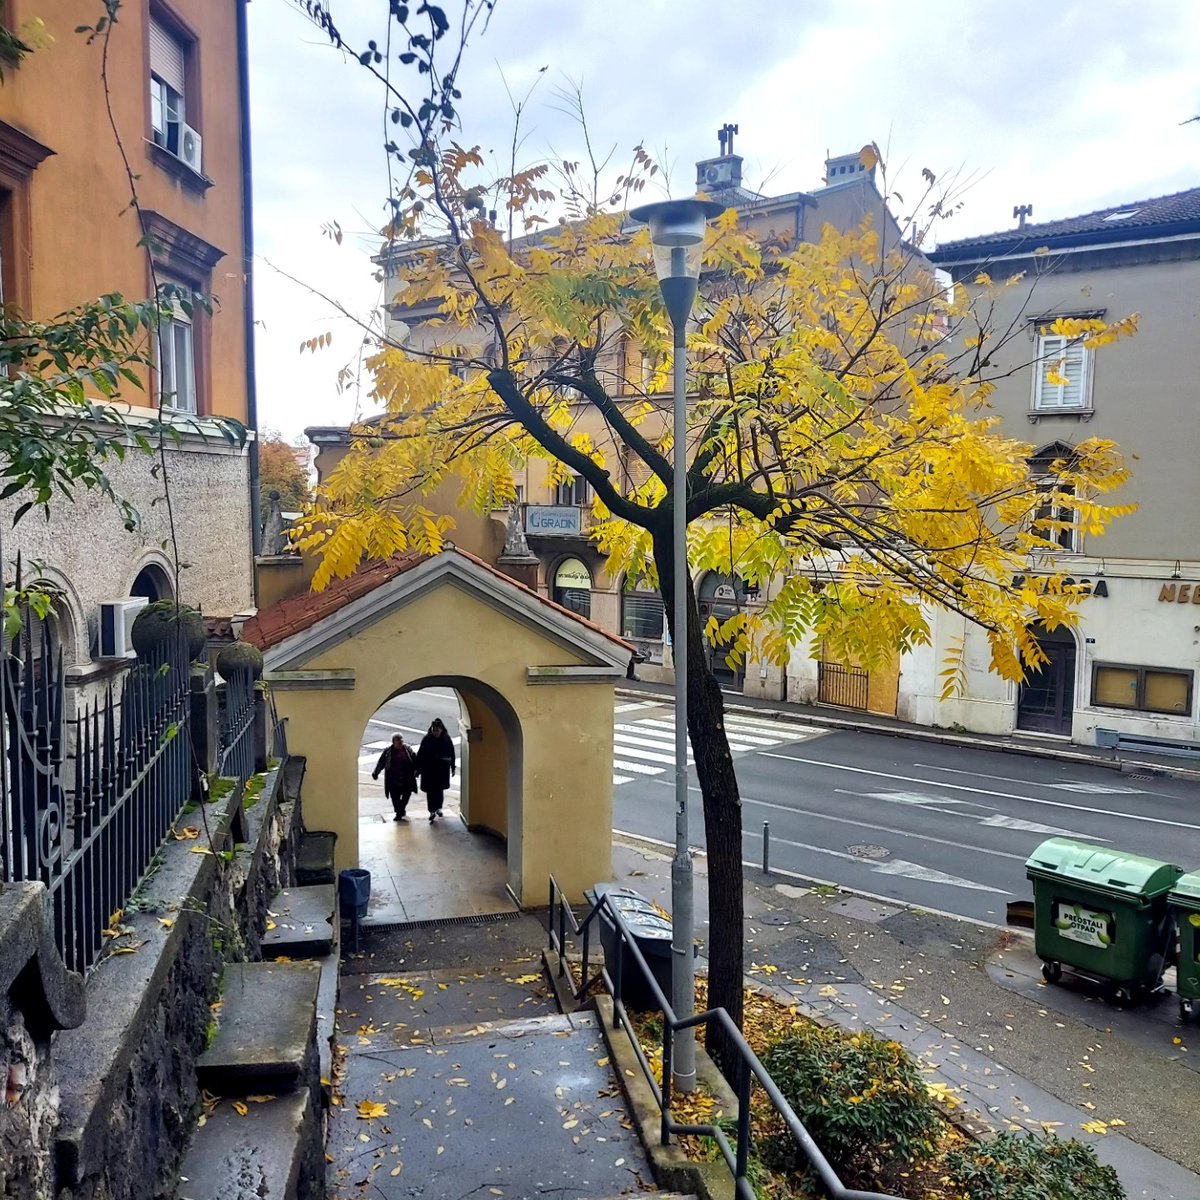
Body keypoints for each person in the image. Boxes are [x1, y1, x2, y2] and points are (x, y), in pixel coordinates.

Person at [415, 717, 456, 822]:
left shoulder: (446, 739)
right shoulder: (427, 739)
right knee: (431, 792)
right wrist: (417, 768)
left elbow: (451, 753)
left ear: (441, 730)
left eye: (437, 730)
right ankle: (432, 810)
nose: (435, 732)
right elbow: (421, 754)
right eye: (433, 730)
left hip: (441, 770)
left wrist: (453, 766)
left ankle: (438, 808)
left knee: (439, 790)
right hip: (429, 770)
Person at [372, 733, 417, 822]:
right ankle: (399, 812)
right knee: (395, 798)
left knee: (406, 795)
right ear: (394, 742)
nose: (400, 744)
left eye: (402, 741)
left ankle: (401, 810)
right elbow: (381, 762)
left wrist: (417, 770)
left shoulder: (408, 749)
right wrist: (376, 773)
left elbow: (415, 760)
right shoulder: (388, 752)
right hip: (393, 779)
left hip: (407, 778)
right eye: (398, 742)